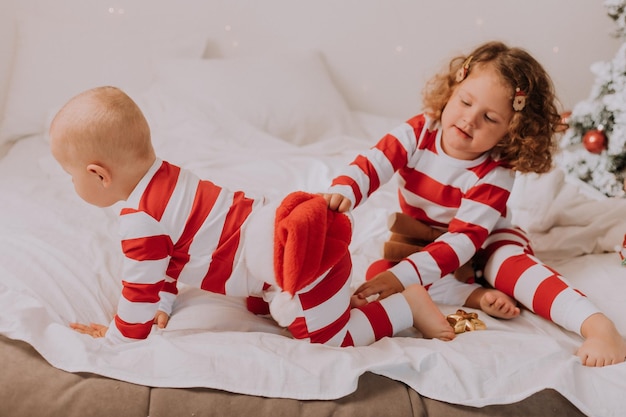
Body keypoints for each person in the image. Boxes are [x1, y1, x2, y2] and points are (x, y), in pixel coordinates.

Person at [49, 86, 456, 347]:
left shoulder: (141, 220)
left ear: (98, 174)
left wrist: (117, 339)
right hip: (280, 245)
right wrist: (166, 301)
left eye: (71, 176)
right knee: (284, 305)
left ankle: (410, 307)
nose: (72, 184)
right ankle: (330, 300)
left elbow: (137, 294)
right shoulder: (167, 177)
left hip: (302, 259)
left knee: (331, 339)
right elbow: (169, 260)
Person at [323, 41, 626, 366]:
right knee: (379, 273)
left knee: (510, 267)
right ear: (453, 90)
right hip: (420, 239)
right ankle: (472, 296)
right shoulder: (420, 130)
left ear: (511, 132)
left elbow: (464, 239)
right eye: (465, 101)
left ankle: (598, 326)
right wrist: (346, 190)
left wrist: (405, 277)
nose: (470, 119)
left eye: (490, 118)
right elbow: (376, 162)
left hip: (485, 239)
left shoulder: (496, 170)